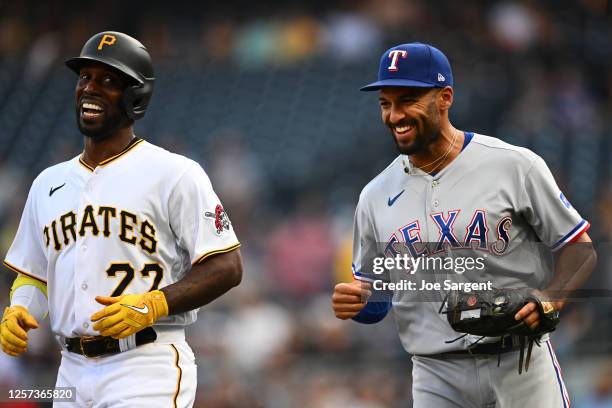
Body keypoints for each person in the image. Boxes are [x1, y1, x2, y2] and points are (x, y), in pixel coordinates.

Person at [332, 42, 597, 407]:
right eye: (385, 103)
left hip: (519, 362)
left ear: (445, 97)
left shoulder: (514, 165)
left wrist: (550, 299)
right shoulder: (374, 196)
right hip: (435, 375)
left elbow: (579, 248)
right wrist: (359, 302)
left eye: (408, 100)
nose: (394, 115)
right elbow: (378, 296)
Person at [0, 31, 243, 407]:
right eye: (85, 77)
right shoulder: (48, 183)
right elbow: (33, 273)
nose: (90, 88)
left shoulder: (174, 173)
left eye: (108, 81)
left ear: (137, 96)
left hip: (146, 364)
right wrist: (20, 309)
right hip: (70, 370)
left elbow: (227, 265)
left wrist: (154, 304)